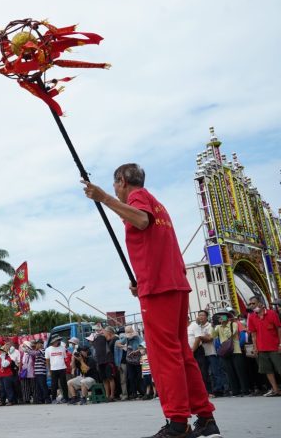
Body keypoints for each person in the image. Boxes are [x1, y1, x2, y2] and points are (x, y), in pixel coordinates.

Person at [83, 164, 218, 438]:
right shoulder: (158, 204)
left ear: (121, 181)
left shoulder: (138, 199)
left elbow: (141, 221)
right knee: (180, 354)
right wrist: (141, 280)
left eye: (114, 186)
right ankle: (205, 419)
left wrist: (103, 199)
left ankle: (178, 423)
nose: (114, 192)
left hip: (160, 289)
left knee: (164, 357)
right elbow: (152, 239)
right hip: (171, 284)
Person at [247, 295, 281, 396]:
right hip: (261, 348)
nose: (251, 306)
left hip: (275, 347)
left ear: (260, 304)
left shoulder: (271, 313)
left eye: (253, 303)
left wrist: (280, 344)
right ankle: (275, 390)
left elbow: (279, 329)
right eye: (250, 304)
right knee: (267, 370)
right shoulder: (252, 317)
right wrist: (255, 347)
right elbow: (253, 334)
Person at [212, 312, 248, 397]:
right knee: (230, 372)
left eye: (222, 317)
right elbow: (213, 335)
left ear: (227, 317)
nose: (220, 318)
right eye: (219, 317)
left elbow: (230, 334)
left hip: (235, 350)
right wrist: (214, 326)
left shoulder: (233, 324)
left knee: (240, 371)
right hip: (225, 351)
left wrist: (224, 325)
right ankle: (235, 391)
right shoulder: (218, 327)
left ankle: (245, 390)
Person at [188, 311, 220, 396]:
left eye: (202, 315)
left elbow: (210, 338)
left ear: (207, 317)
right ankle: (209, 390)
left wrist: (198, 336)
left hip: (210, 351)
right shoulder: (198, 326)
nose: (200, 317)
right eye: (199, 315)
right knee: (204, 373)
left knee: (214, 372)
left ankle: (218, 390)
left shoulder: (209, 326)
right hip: (202, 352)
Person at [45, 336, 68, 403]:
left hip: (62, 368)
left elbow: (64, 358)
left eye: (58, 340)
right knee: (54, 385)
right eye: (56, 340)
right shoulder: (48, 349)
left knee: (63, 384)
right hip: (53, 369)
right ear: (53, 342)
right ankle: (54, 399)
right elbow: (47, 361)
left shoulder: (62, 348)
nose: (58, 342)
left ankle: (66, 398)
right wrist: (49, 370)